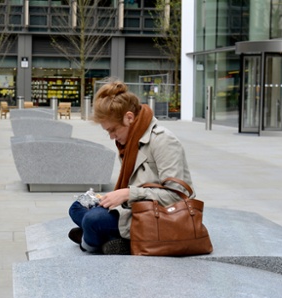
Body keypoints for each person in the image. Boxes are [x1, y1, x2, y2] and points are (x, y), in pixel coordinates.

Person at [68, 79, 194, 255]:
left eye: (113, 129)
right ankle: (110, 239)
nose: (112, 137)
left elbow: (177, 196)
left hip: (155, 218)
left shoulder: (163, 140)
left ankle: (88, 242)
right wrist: (115, 198)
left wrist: (128, 193)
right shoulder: (130, 141)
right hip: (132, 209)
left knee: (92, 219)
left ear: (129, 117)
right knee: (76, 207)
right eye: (108, 132)